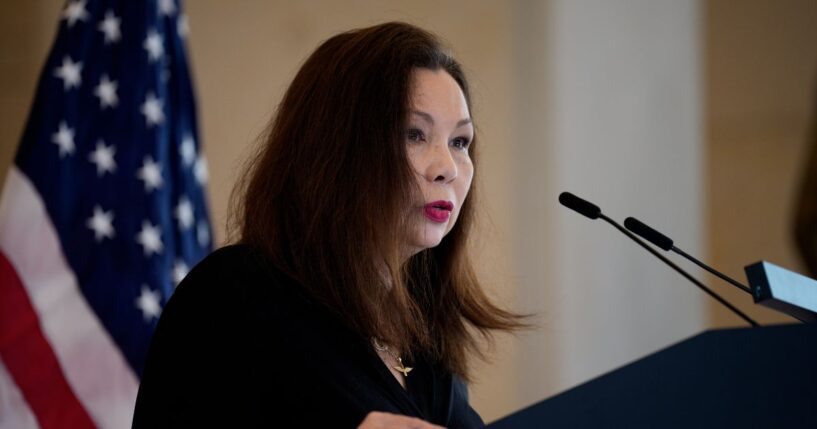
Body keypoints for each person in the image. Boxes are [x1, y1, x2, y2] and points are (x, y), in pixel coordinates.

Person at [131, 22, 525, 428]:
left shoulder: (427, 339)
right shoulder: (232, 296)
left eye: (459, 142)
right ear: (336, 149)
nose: (448, 168)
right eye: (414, 134)